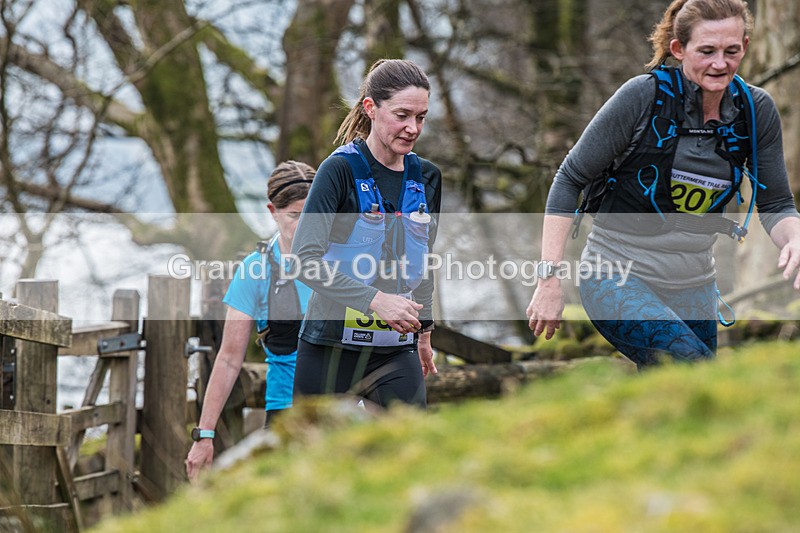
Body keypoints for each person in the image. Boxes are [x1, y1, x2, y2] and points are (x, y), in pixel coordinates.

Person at [526, 0, 800, 369]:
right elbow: (569, 178)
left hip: (695, 283)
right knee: (695, 369)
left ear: (745, 47)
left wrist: (795, 240)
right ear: (678, 49)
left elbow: (777, 204)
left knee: (685, 402)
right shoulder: (642, 96)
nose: (720, 64)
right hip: (614, 276)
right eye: (707, 51)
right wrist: (549, 279)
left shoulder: (755, 110)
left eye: (731, 51)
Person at [291, 59, 441, 408]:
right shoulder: (338, 170)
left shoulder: (428, 177)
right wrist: (376, 300)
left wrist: (425, 331)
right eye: (402, 115)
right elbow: (303, 260)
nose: (412, 128)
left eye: (421, 117)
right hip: (329, 346)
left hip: (395, 349)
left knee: (410, 453)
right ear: (371, 108)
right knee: (312, 458)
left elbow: (424, 259)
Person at [186, 161, 315, 482]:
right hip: (286, 412)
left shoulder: (350, 258)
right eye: (295, 215)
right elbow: (229, 359)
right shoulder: (255, 271)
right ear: (273, 211)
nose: (306, 225)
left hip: (346, 406)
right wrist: (204, 435)